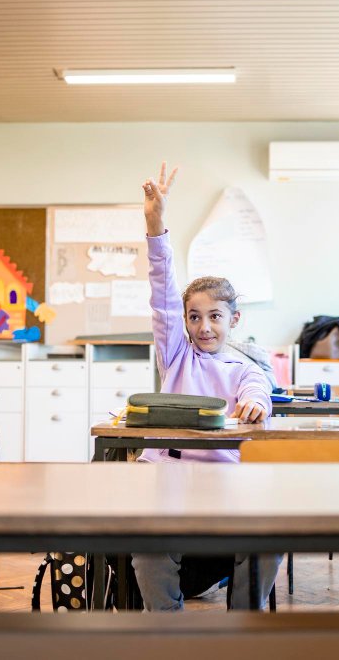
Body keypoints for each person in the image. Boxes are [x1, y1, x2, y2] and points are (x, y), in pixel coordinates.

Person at [130, 162, 281, 611]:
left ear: (235, 320)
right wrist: (156, 225)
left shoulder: (244, 367)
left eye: (215, 316)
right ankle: (169, 633)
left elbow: (258, 393)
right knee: (149, 546)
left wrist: (255, 405)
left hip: (225, 483)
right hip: (167, 476)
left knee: (269, 542)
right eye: (194, 316)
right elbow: (162, 291)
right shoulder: (176, 353)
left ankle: (239, 629)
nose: (204, 326)